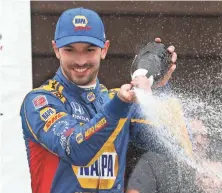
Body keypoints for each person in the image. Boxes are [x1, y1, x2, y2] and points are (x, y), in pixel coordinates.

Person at [19, 7, 178, 193]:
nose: (80, 60)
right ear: (56, 50)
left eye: (89, 50)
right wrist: (119, 106)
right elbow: (76, 149)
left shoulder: (120, 100)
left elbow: (168, 146)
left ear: (104, 50)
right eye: (70, 50)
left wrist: (156, 88)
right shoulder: (40, 101)